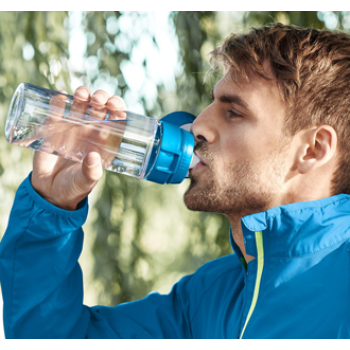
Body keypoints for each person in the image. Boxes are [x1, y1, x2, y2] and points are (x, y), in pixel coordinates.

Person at [1, 22, 350, 339]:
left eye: (234, 113)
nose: (197, 125)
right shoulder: (206, 299)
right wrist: (51, 210)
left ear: (312, 150)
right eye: (211, 105)